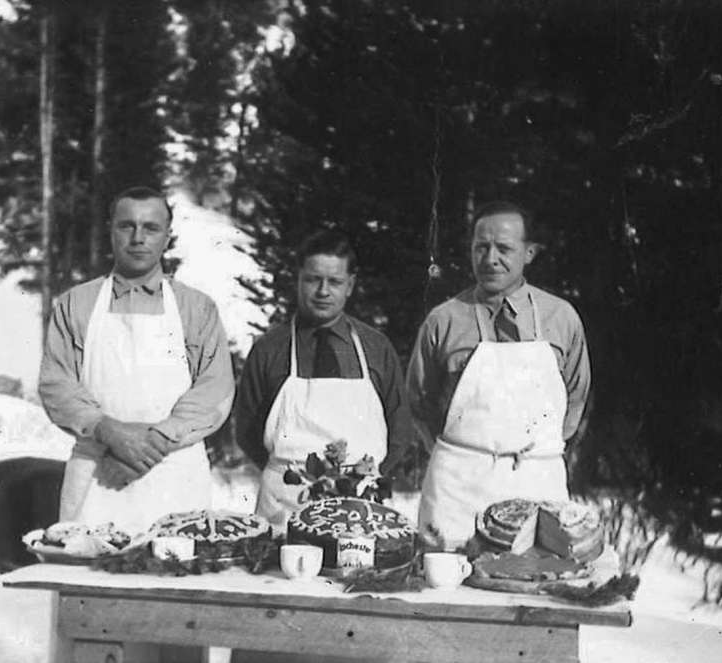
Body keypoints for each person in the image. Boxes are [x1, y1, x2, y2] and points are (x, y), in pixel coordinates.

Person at [39, 186, 234, 533]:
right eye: (127, 226)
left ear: (167, 236)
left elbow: (215, 389)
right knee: (84, 583)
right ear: (110, 230)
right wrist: (109, 432)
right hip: (96, 473)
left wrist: (152, 444)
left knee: (172, 579)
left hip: (174, 477)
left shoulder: (197, 309)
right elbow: (57, 384)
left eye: (151, 228)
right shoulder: (75, 304)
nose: (138, 238)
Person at [409, 201, 591, 551]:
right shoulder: (443, 320)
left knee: (536, 584)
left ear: (530, 253)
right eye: (481, 247)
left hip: (537, 481)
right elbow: (419, 401)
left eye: (504, 248)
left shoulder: (562, 317)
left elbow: (577, 396)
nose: (490, 259)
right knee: (445, 591)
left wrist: (540, 452)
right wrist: (458, 455)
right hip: (457, 487)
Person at [235, 230, 417, 532]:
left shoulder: (375, 347)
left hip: (360, 504)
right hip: (285, 502)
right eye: (312, 279)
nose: (323, 291)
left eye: (334, 282)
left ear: (350, 286)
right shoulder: (270, 348)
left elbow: (400, 427)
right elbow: (247, 431)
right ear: (298, 280)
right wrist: (288, 474)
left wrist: (363, 478)